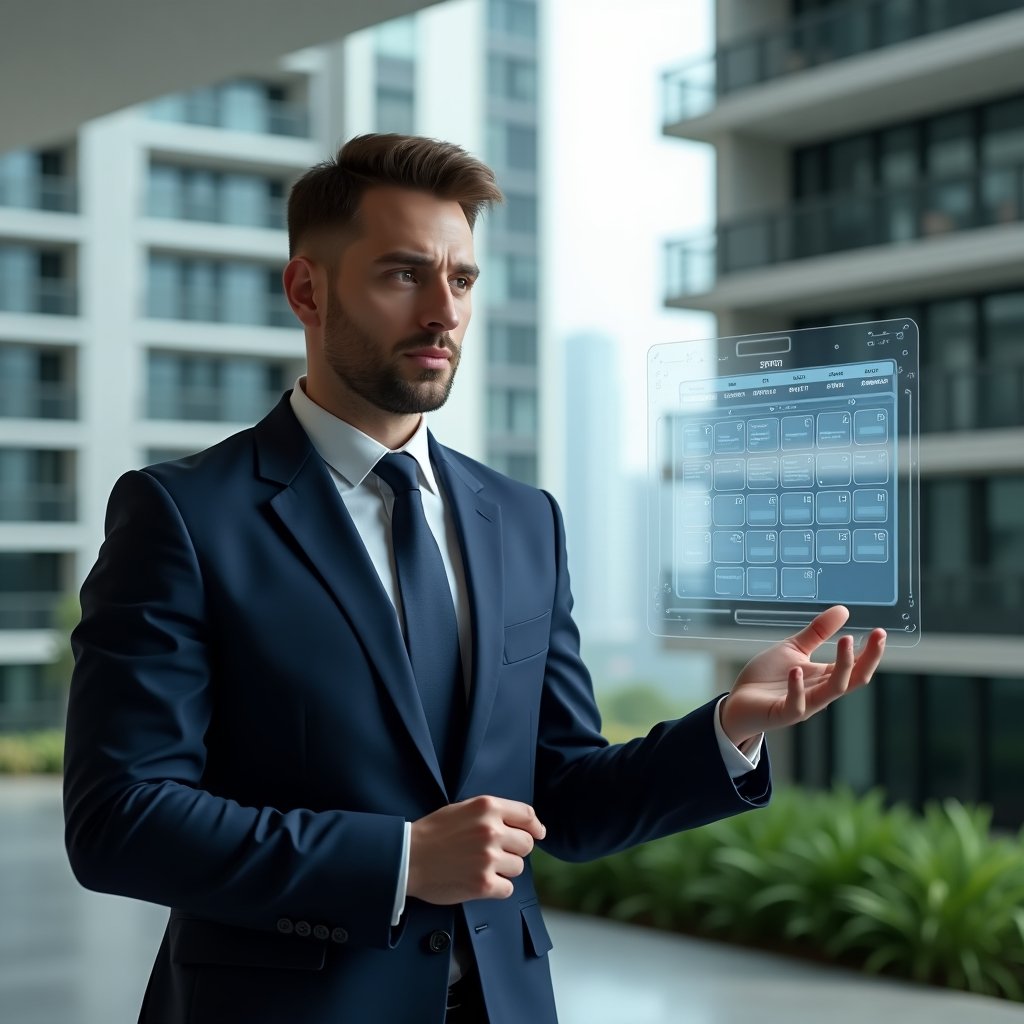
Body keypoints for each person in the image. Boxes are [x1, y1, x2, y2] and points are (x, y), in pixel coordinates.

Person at [63, 133, 887, 1024]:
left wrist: (729, 727)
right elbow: (120, 819)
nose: (443, 313)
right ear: (307, 291)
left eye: (461, 280)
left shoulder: (524, 520)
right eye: (403, 274)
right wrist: (401, 860)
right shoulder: (185, 515)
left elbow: (563, 797)